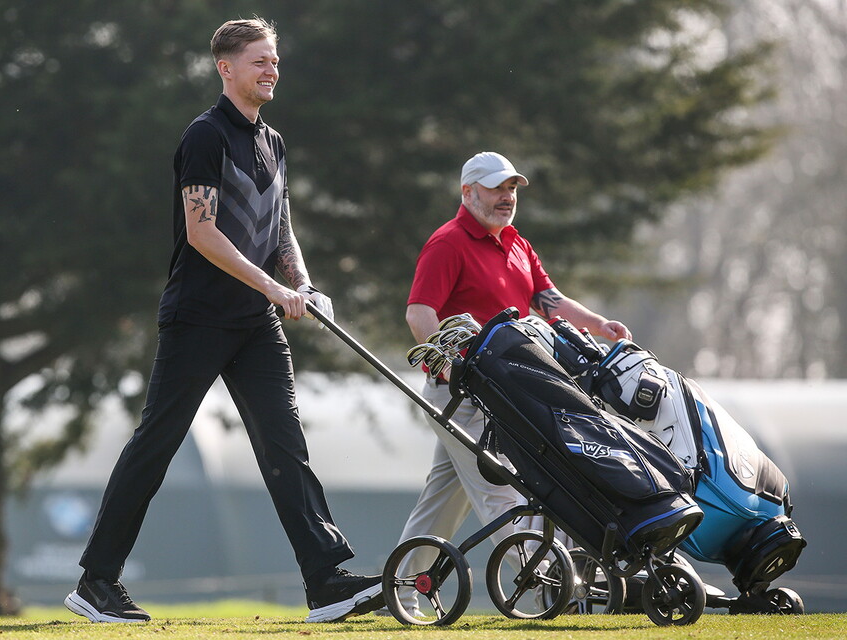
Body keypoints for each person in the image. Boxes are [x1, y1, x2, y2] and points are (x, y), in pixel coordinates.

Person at [64, 17, 382, 624]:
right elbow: (202, 232)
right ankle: (96, 582)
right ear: (226, 68)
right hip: (198, 318)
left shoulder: (274, 142)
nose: (272, 70)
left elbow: (280, 228)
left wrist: (302, 284)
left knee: (285, 444)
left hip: (255, 324)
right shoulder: (205, 136)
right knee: (157, 444)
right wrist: (272, 288)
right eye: (260, 61)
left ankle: (326, 581)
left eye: (274, 60)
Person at [392, 151, 631, 613]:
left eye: (512, 188)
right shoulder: (448, 242)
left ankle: (399, 593)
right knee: (502, 486)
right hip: (461, 393)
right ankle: (549, 588)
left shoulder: (517, 242)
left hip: (503, 391)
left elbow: (548, 300)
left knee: (444, 497)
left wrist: (600, 325)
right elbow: (419, 313)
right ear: (468, 192)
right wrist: (451, 367)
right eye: (497, 188)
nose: (507, 197)